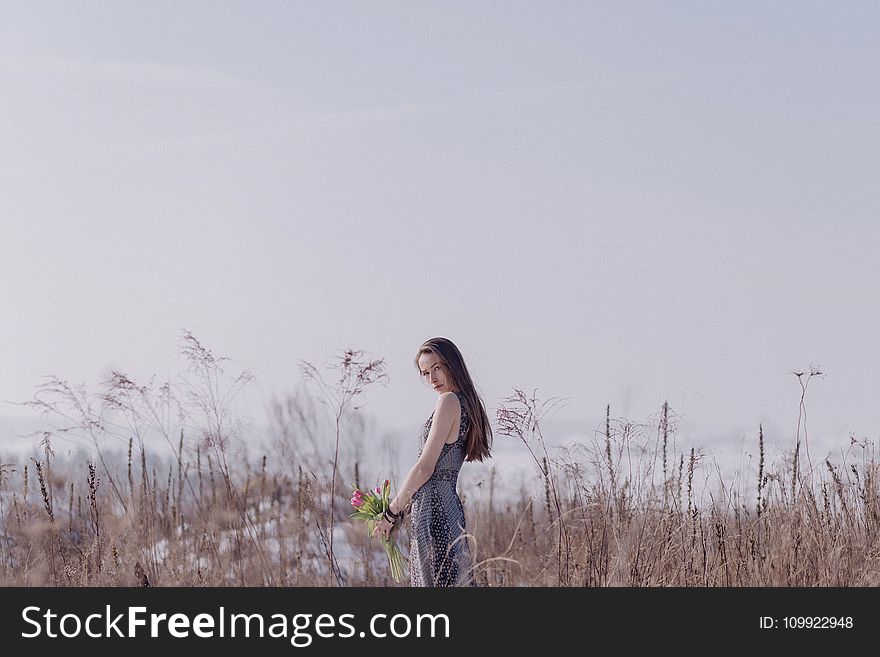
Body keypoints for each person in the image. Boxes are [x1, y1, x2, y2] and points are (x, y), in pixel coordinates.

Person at [373, 337, 492, 586]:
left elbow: (425, 467)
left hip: (433, 508)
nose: (432, 379)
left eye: (437, 368)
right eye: (425, 373)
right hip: (448, 507)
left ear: (453, 364)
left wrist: (392, 511)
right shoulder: (467, 403)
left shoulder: (448, 401)